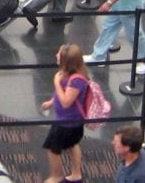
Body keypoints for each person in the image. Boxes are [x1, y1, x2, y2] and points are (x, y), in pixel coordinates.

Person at [40, 43, 89, 183]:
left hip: (67, 123)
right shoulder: (68, 74)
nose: (56, 55)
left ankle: (56, 176)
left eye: (59, 54)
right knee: (72, 145)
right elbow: (62, 92)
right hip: (69, 121)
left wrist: (56, 82)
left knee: (52, 149)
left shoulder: (76, 80)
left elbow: (66, 101)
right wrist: (51, 102)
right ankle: (76, 174)